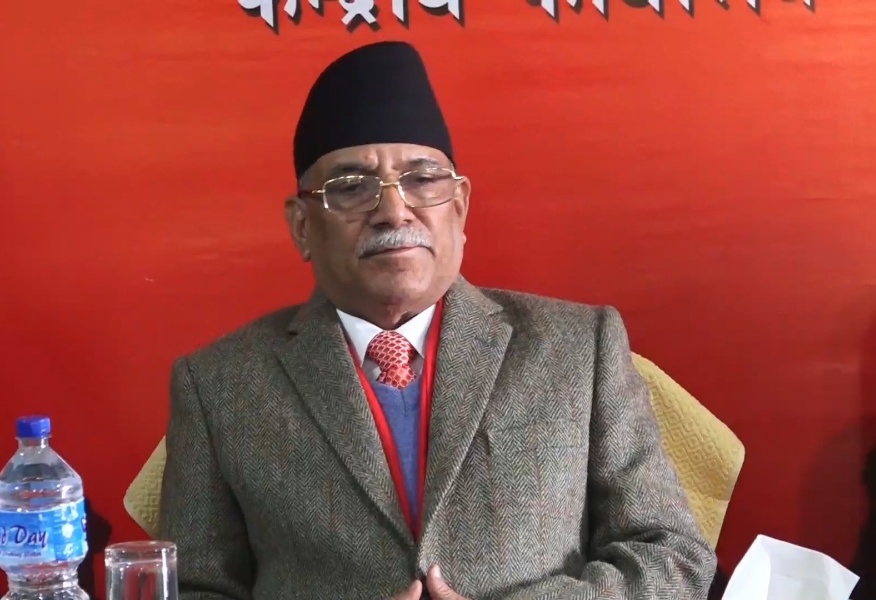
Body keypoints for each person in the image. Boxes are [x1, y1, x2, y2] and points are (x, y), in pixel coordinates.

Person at [159, 40, 717, 600]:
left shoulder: (576, 348)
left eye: (422, 180)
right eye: (352, 188)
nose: (393, 211)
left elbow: (671, 555)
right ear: (302, 226)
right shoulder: (221, 386)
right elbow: (191, 590)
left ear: (459, 207)